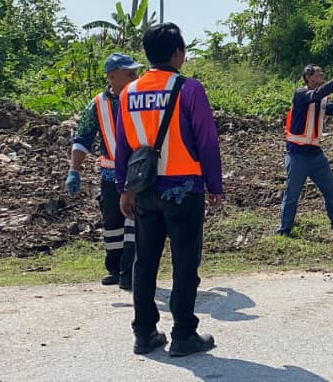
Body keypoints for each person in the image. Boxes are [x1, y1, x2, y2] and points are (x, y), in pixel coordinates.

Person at [114, 23, 223, 357]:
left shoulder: (128, 93)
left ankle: (144, 333)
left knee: (145, 262)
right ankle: (184, 334)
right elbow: (206, 139)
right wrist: (215, 185)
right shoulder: (189, 89)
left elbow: (122, 146)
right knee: (185, 263)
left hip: (144, 189)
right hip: (184, 188)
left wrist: (123, 188)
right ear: (178, 53)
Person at [66, 52, 143, 290]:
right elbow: (83, 139)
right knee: (112, 223)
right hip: (110, 174)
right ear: (111, 76)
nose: (134, 74)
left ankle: (129, 272)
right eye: (127, 70)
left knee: (135, 222)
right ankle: (115, 269)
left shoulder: (142, 98)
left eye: (134, 70)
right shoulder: (97, 104)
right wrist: (74, 170)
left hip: (139, 172)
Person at [276, 63, 333, 238]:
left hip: (315, 154)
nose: (322, 75)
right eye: (319, 73)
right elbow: (317, 94)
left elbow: (330, 108)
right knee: (292, 194)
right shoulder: (301, 94)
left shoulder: (322, 99)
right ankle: (284, 229)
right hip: (297, 154)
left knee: (330, 190)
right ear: (309, 77)